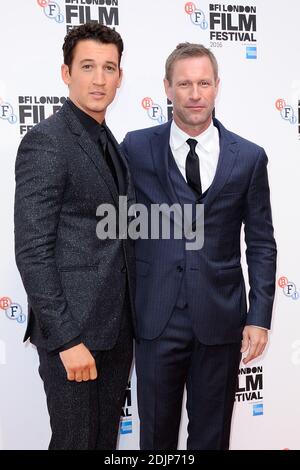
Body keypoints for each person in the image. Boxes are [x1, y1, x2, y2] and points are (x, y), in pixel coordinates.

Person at [122, 43, 276, 450]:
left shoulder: (249, 157)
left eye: (203, 82)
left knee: (212, 438)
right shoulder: (135, 148)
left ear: (217, 86)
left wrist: (259, 316)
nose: (195, 93)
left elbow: (261, 242)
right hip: (156, 319)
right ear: (167, 88)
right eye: (185, 83)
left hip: (221, 319)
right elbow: (117, 229)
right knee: (155, 438)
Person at [14, 23, 136, 450]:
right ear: (66, 73)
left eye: (109, 68)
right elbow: (32, 250)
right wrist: (67, 340)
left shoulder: (109, 141)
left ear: (121, 76)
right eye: (87, 66)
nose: (99, 79)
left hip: (116, 332)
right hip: (75, 336)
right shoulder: (47, 142)